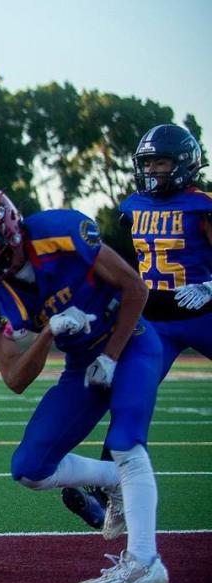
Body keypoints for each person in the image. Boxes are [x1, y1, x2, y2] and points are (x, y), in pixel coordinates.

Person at [0, 184, 168, 583]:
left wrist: (112, 355)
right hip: (81, 363)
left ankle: (144, 561)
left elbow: (136, 287)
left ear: (7, 223)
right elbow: (15, 378)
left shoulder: (60, 232)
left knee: (126, 440)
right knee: (29, 467)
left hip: (130, 341)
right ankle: (114, 482)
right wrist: (48, 332)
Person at [62, 124, 212, 529]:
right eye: (147, 163)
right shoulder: (132, 206)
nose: (153, 170)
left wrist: (209, 285)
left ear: (184, 164)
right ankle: (105, 489)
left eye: (160, 162)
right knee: (129, 397)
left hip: (202, 312)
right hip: (157, 320)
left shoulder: (203, 205)